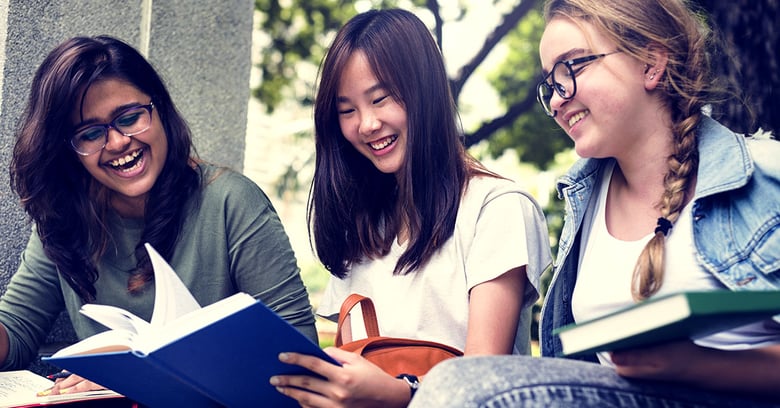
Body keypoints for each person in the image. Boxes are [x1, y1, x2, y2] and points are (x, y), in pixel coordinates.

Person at [408, 0, 780, 406]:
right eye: (550, 82)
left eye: (573, 67)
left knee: (461, 389)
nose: (556, 99)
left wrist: (695, 364)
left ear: (651, 63)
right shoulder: (584, 201)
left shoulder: (766, 174)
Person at [0, 35, 317, 394]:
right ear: (70, 150)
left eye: (130, 117)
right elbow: (17, 330)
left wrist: (134, 379)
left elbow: (299, 355)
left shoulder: (231, 202)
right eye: (90, 134)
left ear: (160, 109)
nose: (118, 142)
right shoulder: (63, 216)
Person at [269, 8, 552, 408]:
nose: (366, 124)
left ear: (424, 91)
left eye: (380, 99)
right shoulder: (361, 229)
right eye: (347, 110)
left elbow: (481, 386)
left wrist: (401, 394)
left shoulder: (497, 208)